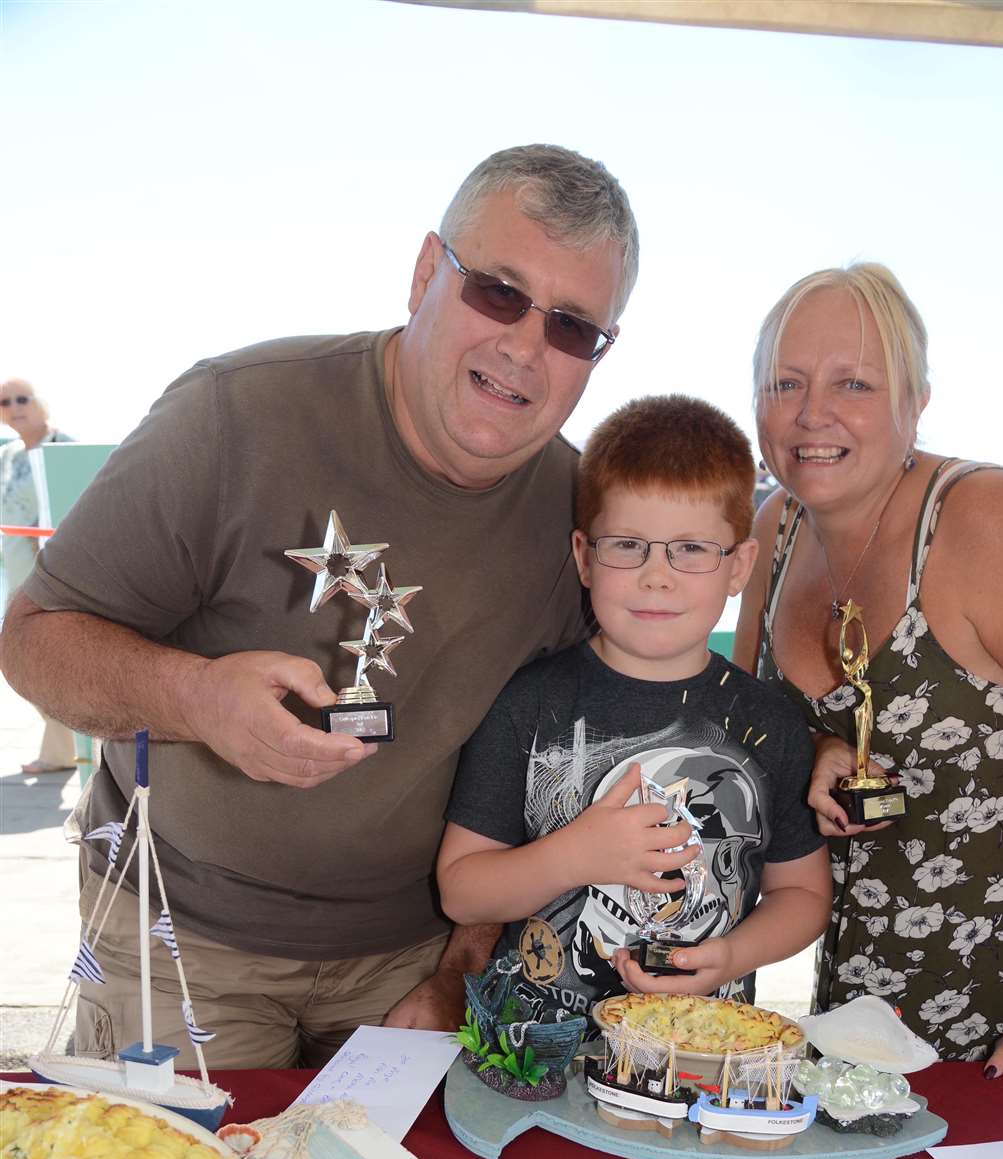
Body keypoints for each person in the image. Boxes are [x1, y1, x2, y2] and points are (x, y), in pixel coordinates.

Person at [0, 145, 638, 1068]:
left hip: (415, 964)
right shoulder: (236, 416)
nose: (525, 346)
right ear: (426, 274)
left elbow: (553, 789)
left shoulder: (579, 523)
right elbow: (34, 643)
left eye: (575, 328)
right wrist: (200, 701)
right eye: (498, 292)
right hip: (184, 940)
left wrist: (461, 965)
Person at [733, 263, 1003, 1075]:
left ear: (914, 401)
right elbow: (743, 718)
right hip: (856, 1022)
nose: (812, 413)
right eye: (785, 383)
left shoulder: (984, 517)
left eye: (852, 382)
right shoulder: (775, 528)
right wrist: (815, 749)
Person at [437, 395, 831, 1016]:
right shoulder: (528, 703)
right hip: (530, 1056)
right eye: (627, 545)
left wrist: (732, 956)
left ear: (739, 567)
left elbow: (804, 895)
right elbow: (462, 891)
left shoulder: (769, 722)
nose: (657, 576)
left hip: (700, 1055)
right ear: (583, 557)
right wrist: (576, 855)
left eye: (692, 549)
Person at [0, 379, 77, 773]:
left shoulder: (65, 447)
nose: (14, 406)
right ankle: (61, 748)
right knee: (17, 659)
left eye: (22, 398)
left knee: (49, 659)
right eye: (4, 401)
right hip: (14, 575)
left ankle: (67, 751)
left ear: (41, 402)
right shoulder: (9, 455)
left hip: (55, 579)